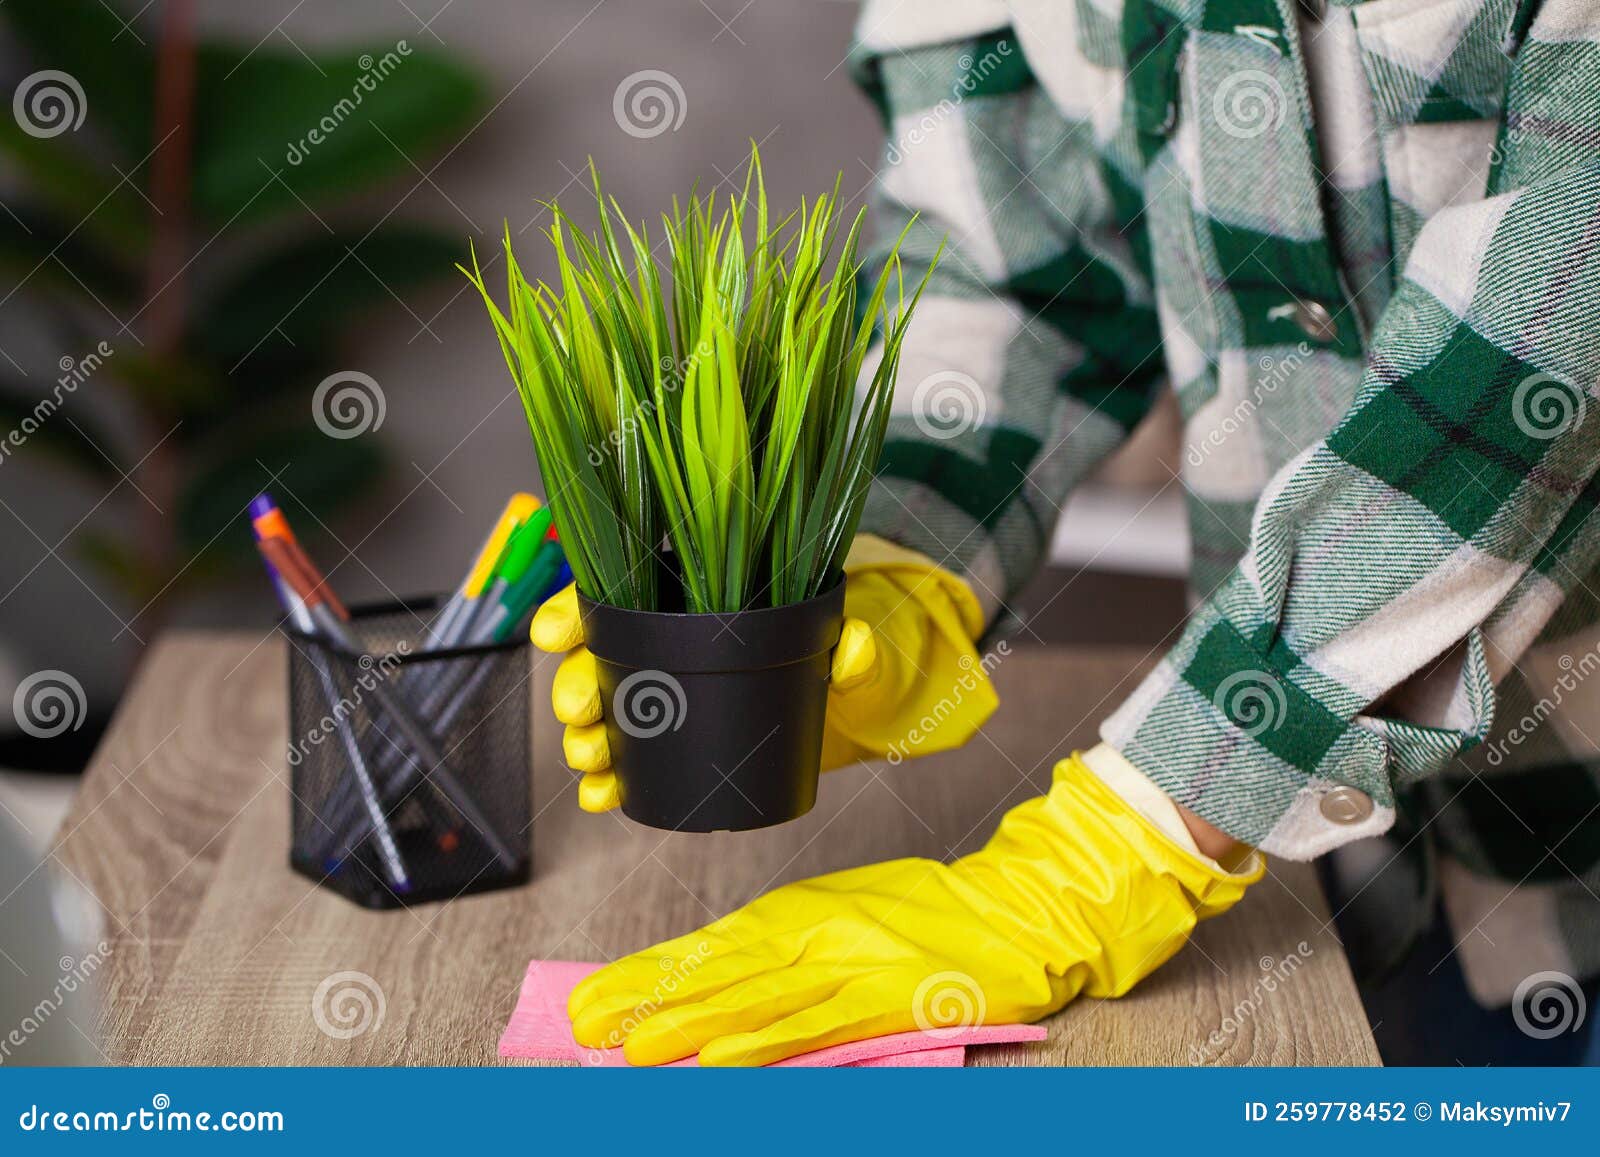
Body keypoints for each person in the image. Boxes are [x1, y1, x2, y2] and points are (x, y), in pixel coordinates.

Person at [532, 0, 1600, 1066]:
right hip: (1336, 868)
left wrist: (1113, 848)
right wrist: (898, 564)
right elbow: (1017, 259)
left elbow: (1542, 347)